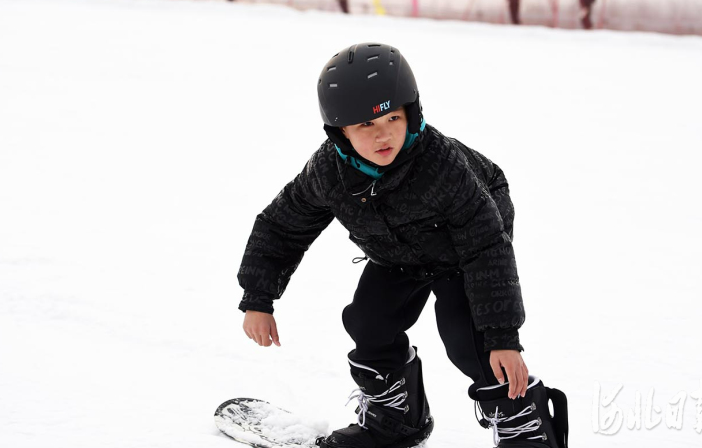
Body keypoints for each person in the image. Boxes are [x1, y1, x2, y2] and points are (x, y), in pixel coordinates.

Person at [237, 43, 569, 448]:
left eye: (392, 118)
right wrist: (259, 296)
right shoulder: (329, 172)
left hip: (464, 250)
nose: (383, 135)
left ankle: (528, 431)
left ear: (411, 112)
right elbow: (282, 225)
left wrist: (503, 338)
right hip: (397, 253)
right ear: (340, 132)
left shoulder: (442, 167)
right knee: (368, 322)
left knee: (471, 341)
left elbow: (487, 248)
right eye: (364, 126)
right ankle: (395, 422)